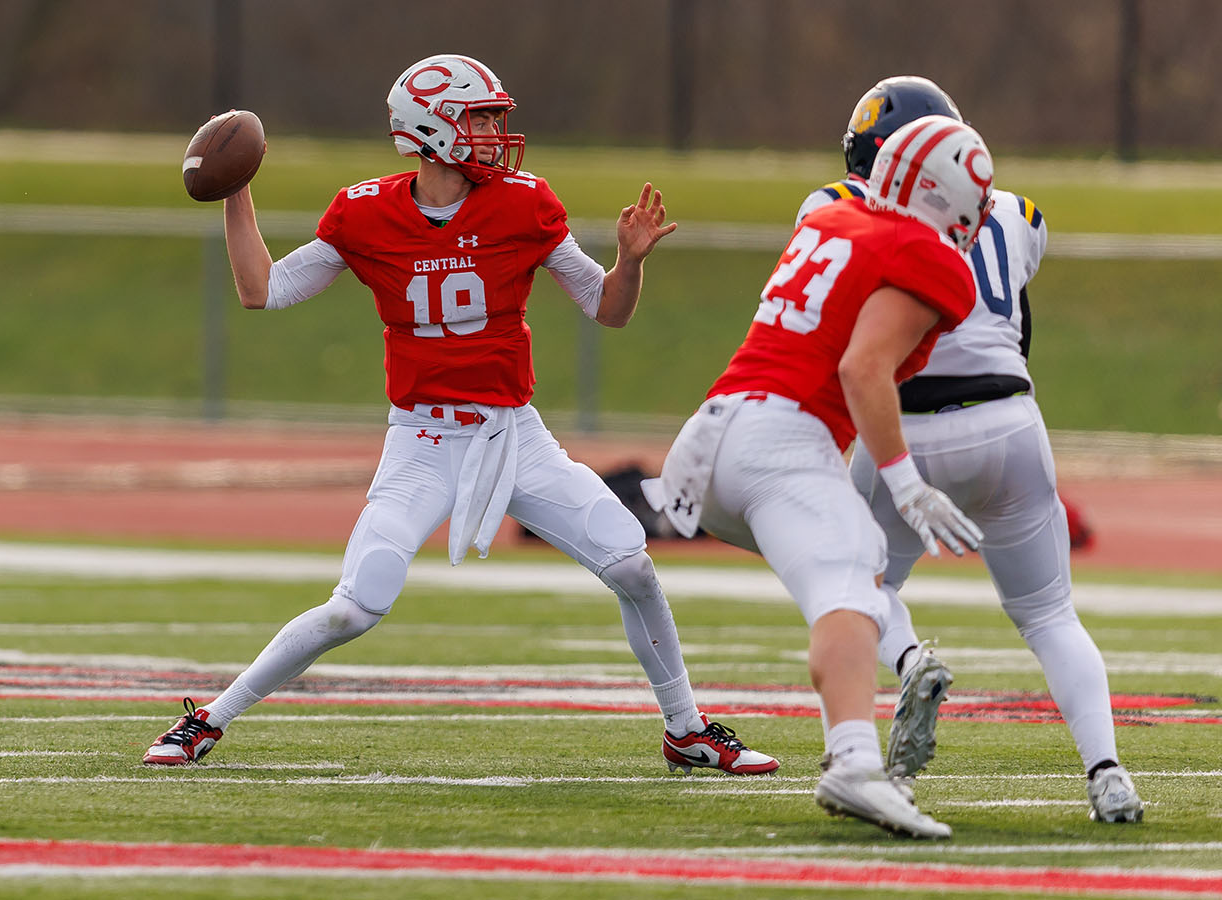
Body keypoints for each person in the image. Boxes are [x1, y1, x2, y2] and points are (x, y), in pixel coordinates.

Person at [143, 54, 779, 778]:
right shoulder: (364, 212)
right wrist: (237, 189)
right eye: (477, 118)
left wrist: (630, 263)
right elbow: (263, 290)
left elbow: (608, 310)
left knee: (632, 564)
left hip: (513, 432)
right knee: (355, 607)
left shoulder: (526, 203)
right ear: (431, 128)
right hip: (422, 439)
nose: (490, 133)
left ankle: (687, 729)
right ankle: (209, 720)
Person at [795, 76, 1142, 823]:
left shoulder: (836, 206)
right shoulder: (1015, 212)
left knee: (858, 586)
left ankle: (912, 662)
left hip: (904, 430)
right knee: (1051, 614)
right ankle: (1108, 772)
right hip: (1011, 425)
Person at [645, 115, 997, 838]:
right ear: (940, 190)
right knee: (851, 570)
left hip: (713, 437)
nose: (982, 210)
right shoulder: (926, 253)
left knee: (850, 583)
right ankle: (854, 765)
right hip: (780, 437)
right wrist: (904, 482)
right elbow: (862, 367)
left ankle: (861, 745)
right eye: (975, 193)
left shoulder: (837, 216)